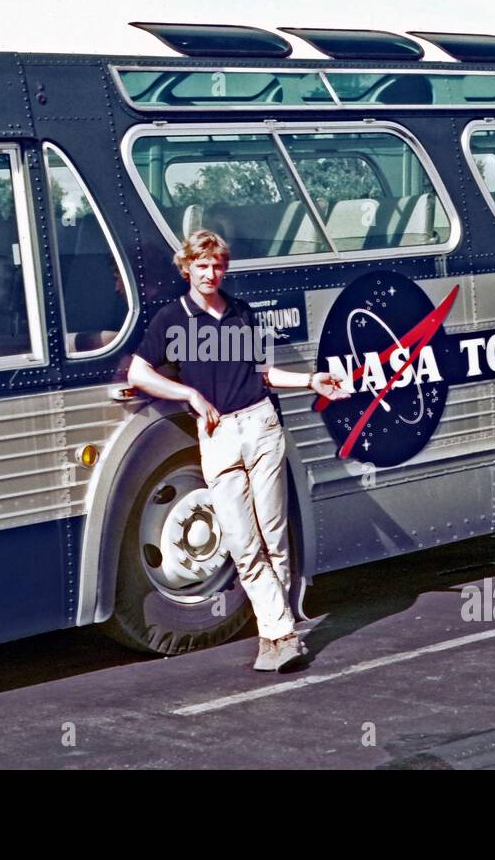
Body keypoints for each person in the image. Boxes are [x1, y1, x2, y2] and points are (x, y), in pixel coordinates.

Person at [127, 230, 348, 673]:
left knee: (274, 535)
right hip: (219, 436)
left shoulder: (243, 314)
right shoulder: (172, 319)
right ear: (186, 268)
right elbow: (139, 372)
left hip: (261, 426)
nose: (211, 274)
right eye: (202, 266)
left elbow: (264, 373)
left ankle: (276, 635)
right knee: (244, 543)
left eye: (218, 266)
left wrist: (310, 381)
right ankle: (280, 632)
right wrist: (188, 394)